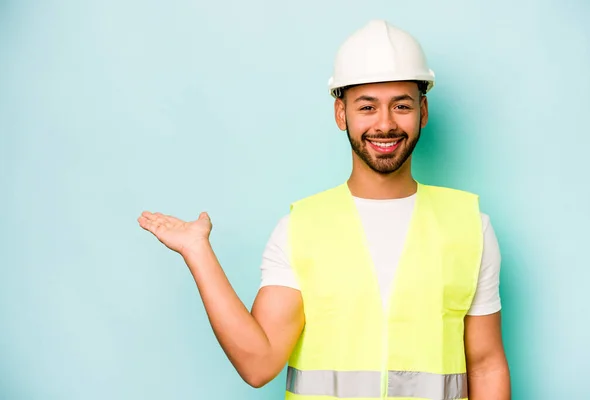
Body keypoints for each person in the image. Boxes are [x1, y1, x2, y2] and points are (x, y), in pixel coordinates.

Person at [138, 19, 511, 400]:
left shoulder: (469, 227)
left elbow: (486, 365)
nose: (385, 124)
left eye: (401, 106)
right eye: (367, 107)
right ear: (340, 113)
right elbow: (258, 363)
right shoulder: (299, 230)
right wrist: (198, 252)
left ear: (423, 111)